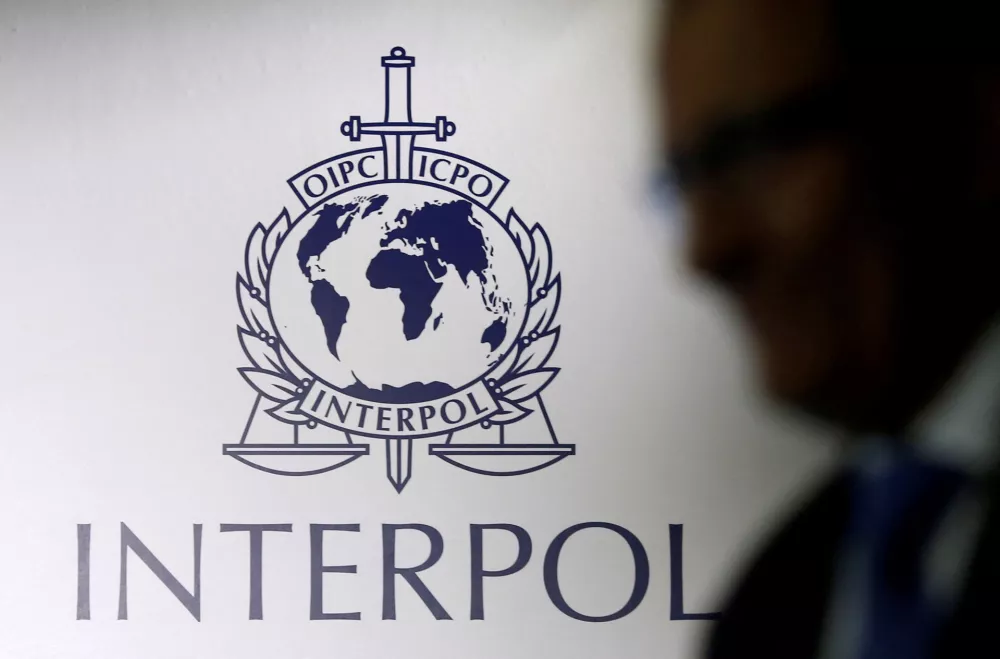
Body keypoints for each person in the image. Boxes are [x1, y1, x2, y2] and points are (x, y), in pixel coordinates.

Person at [657, 1, 1000, 657]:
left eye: (749, 152)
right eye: (684, 180)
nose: (705, 249)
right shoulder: (765, 611)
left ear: (972, 120)